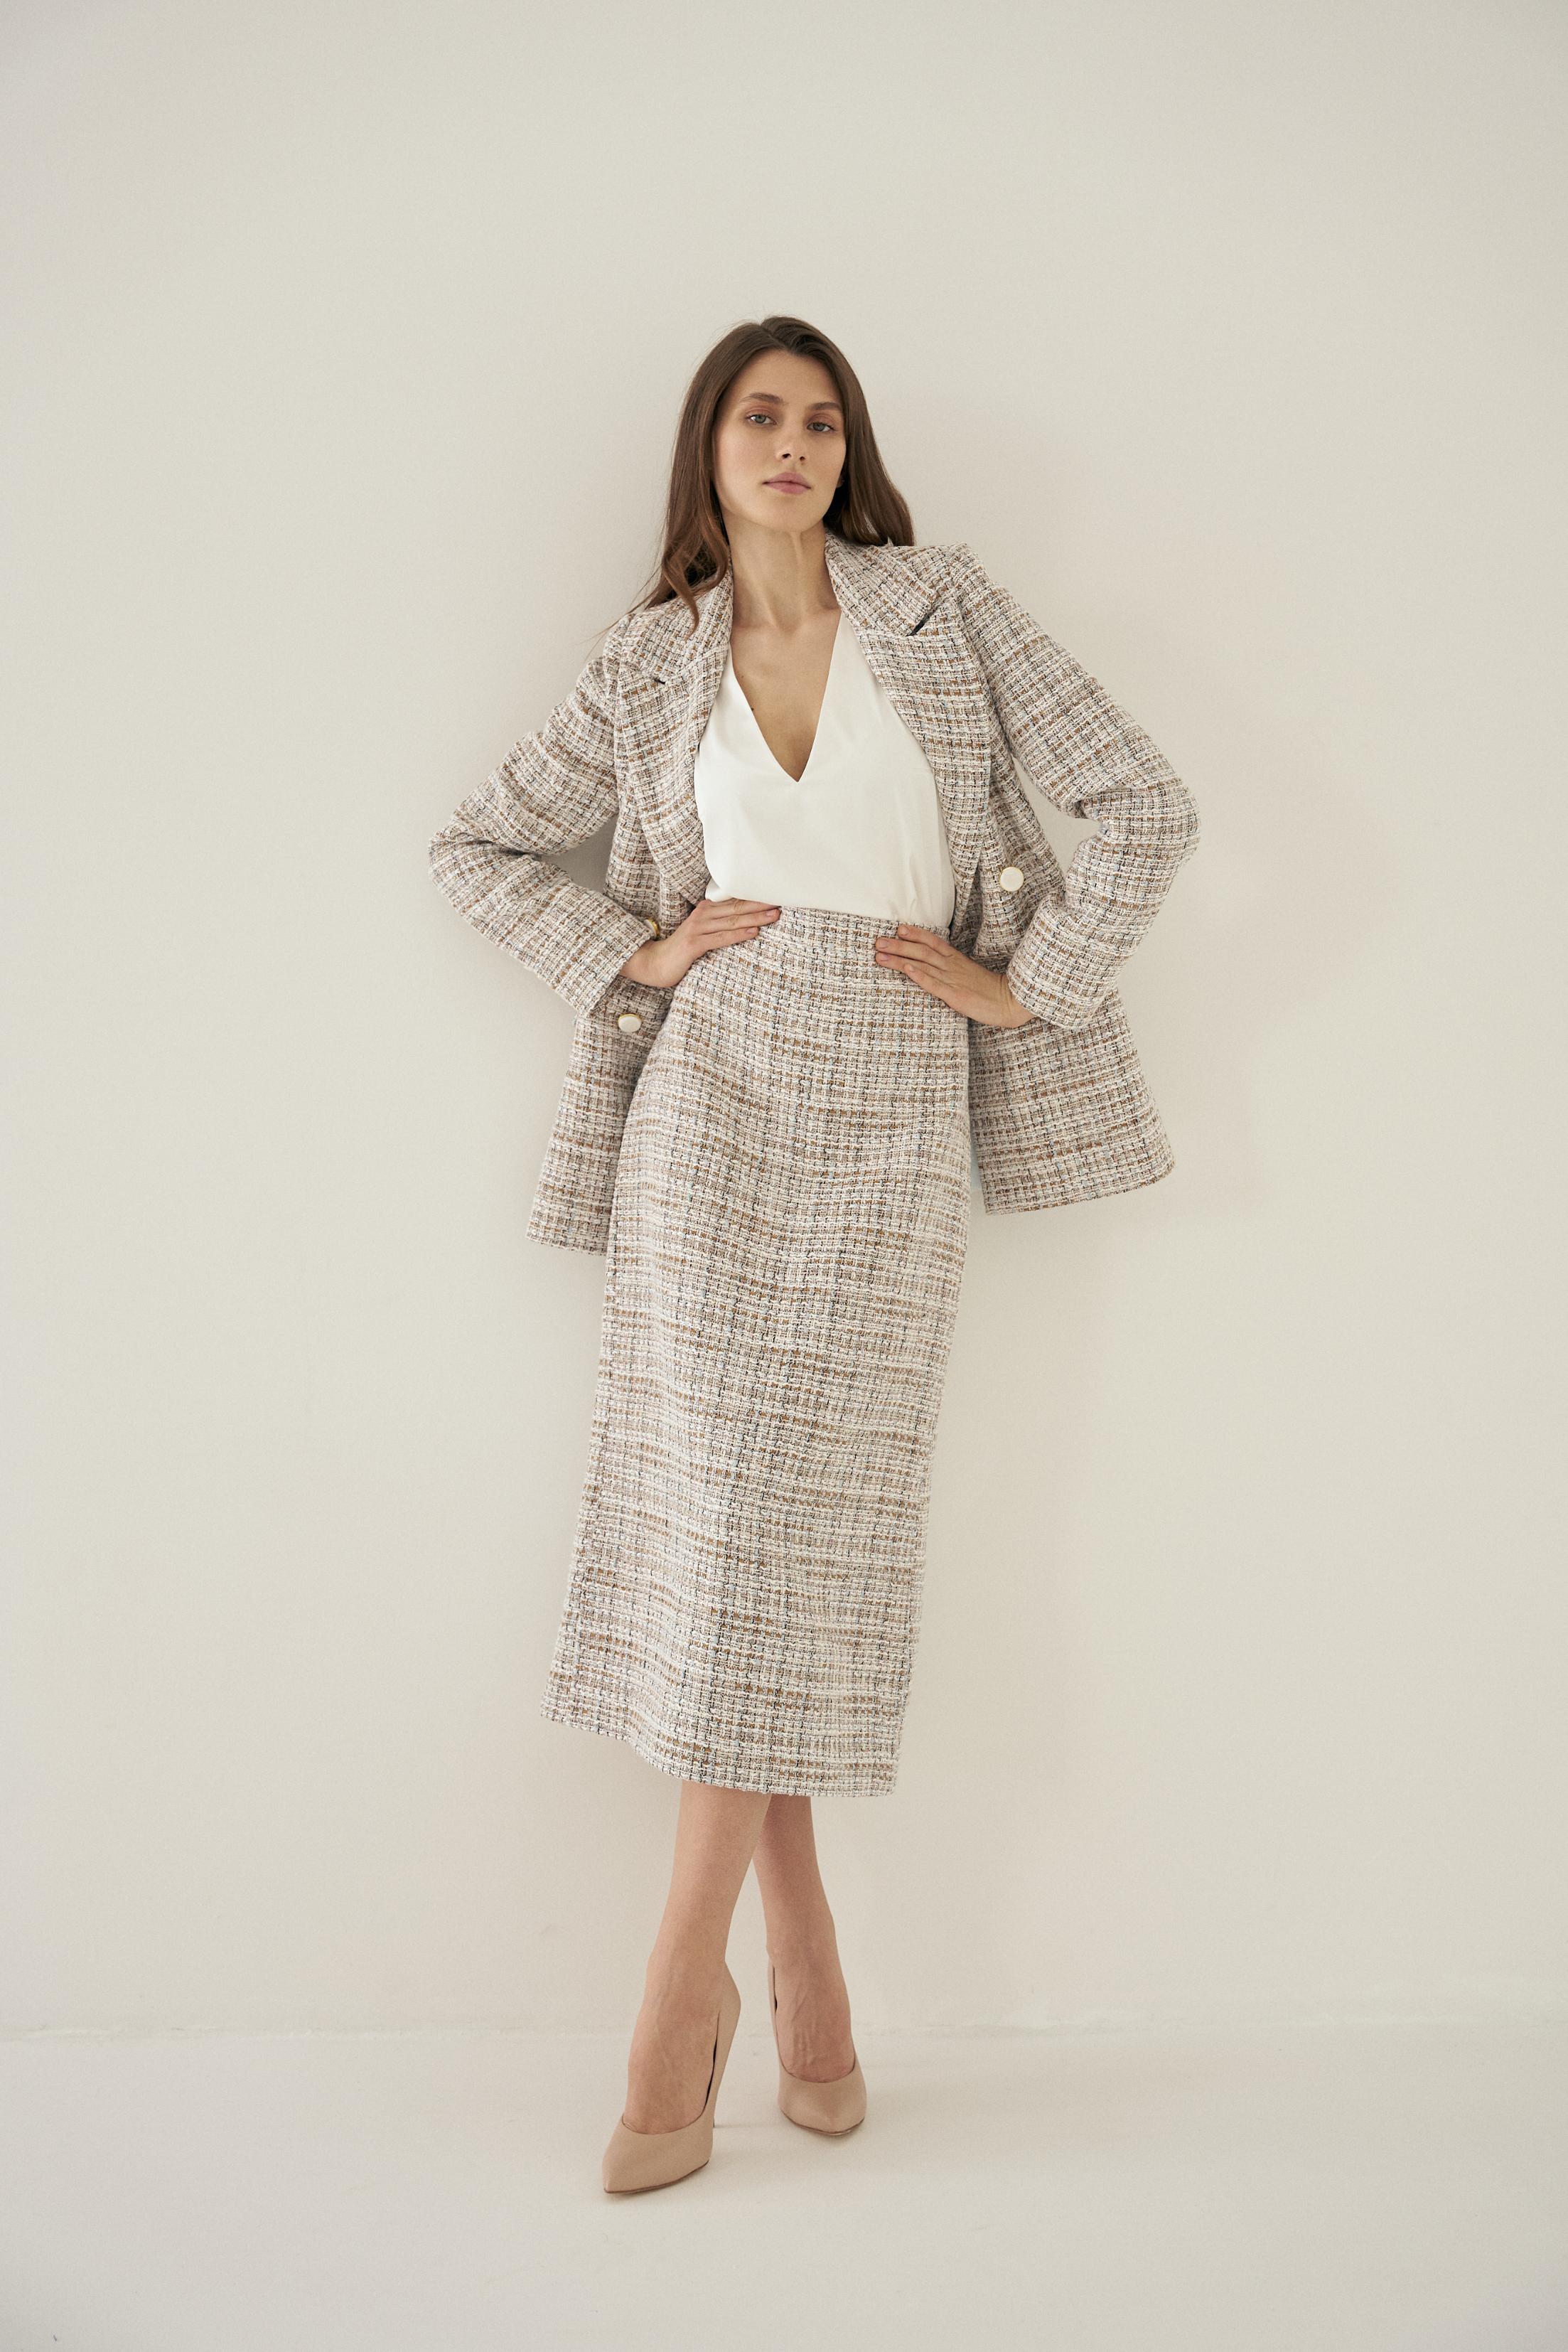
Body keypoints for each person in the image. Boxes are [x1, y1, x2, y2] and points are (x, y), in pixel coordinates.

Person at [427, 314, 1201, 2194]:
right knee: (722, 1515)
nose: (794, 444)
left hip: (892, 1092)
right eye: (761, 417)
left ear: (852, 456)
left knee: (803, 1522)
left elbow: (1145, 804)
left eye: (824, 421)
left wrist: (1026, 987)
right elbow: (475, 850)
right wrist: (641, 947)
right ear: (710, 449)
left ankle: (694, 1986)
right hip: (709, 1102)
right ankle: (786, 1987)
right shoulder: (649, 660)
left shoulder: (945, 608)